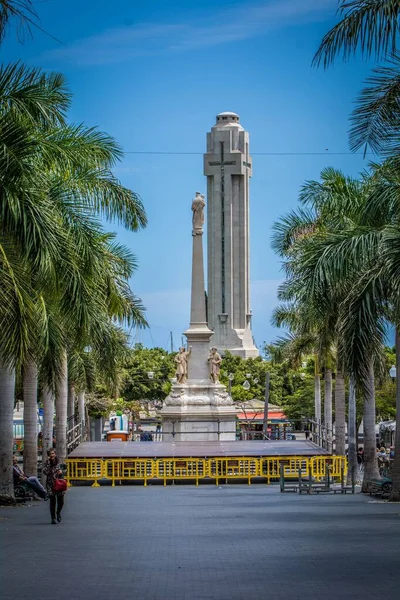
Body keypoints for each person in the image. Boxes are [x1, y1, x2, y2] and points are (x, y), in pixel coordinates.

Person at [42, 449, 66, 524]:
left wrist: (62, 471)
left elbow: (65, 469)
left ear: (55, 454)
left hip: (59, 483)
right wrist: (49, 464)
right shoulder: (47, 462)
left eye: (52, 453)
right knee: (52, 502)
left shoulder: (59, 461)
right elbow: (45, 472)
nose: (51, 455)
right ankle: (53, 518)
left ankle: (58, 512)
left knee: (61, 502)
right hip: (50, 484)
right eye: (50, 454)